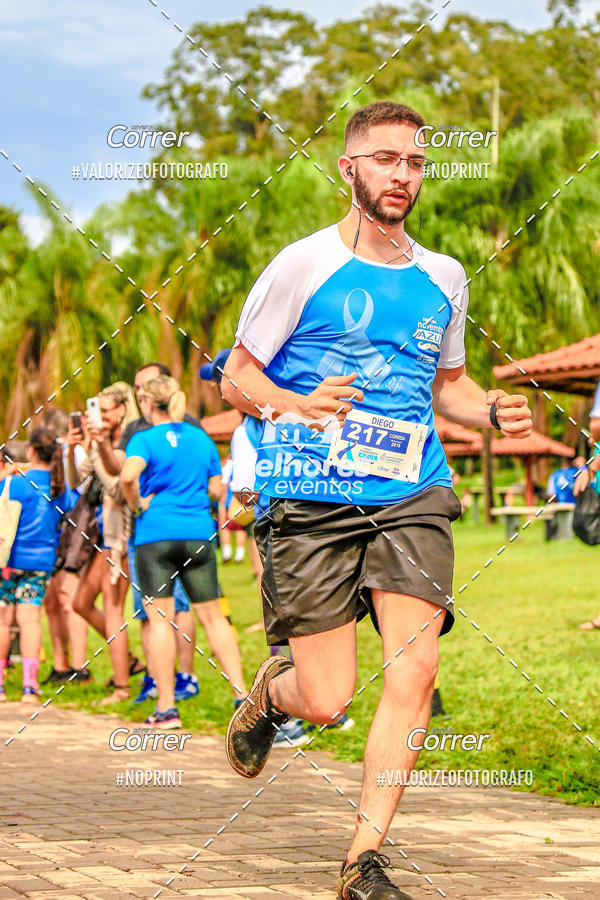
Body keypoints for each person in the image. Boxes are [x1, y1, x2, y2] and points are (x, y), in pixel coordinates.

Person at [222, 101, 533, 899]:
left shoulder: (445, 277)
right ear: (349, 168)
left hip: (412, 490)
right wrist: (292, 404)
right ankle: (271, 695)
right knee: (326, 700)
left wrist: (493, 410)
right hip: (310, 495)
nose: (403, 174)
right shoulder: (301, 266)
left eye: (415, 162)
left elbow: (449, 387)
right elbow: (238, 377)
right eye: (386, 159)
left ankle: (363, 858)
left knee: (417, 667)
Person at [121, 375, 248, 729]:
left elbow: (128, 476)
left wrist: (138, 504)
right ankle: (242, 697)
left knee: (160, 621)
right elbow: (216, 489)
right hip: (198, 534)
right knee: (214, 617)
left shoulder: (143, 439)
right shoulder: (200, 438)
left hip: (155, 535)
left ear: (146, 402)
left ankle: (166, 708)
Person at [98, 362, 206, 703]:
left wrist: (139, 502)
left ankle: (182, 678)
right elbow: (118, 468)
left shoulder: (181, 425)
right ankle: (158, 678)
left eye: (144, 386)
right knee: (151, 609)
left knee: (177, 608)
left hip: (167, 529)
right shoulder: (137, 428)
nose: (139, 392)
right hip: (160, 531)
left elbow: (126, 475)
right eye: (137, 387)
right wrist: (101, 444)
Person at [66, 383, 138, 703]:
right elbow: (74, 480)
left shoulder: (131, 442)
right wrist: (73, 450)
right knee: (80, 603)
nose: (99, 416)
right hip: (104, 537)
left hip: (122, 537)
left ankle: (122, 687)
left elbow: (117, 487)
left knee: (112, 610)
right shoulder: (100, 442)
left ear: (122, 410)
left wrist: (100, 448)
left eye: (105, 410)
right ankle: (129, 661)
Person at [0, 428, 77, 701]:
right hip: (41, 562)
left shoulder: (14, 483)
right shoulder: (59, 486)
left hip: (8, 560)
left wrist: (10, 471)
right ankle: (29, 687)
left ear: (30, 450)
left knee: (3, 620)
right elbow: (73, 505)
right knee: (30, 620)